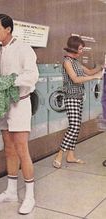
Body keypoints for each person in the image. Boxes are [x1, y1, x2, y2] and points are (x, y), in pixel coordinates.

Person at [0, 14, 39, 215]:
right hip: (4, 104)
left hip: (20, 104)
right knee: (8, 149)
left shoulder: (24, 48)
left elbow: (32, 76)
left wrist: (9, 81)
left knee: (21, 149)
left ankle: (30, 196)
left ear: (8, 29)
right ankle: (10, 192)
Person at [52, 35, 102, 169]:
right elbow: (75, 79)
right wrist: (94, 77)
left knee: (77, 126)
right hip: (71, 97)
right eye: (80, 48)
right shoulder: (67, 62)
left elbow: (91, 71)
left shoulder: (76, 62)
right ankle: (59, 155)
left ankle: (71, 156)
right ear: (73, 48)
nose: (82, 51)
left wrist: (101, 66)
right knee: (73, 127)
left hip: (79, 97)